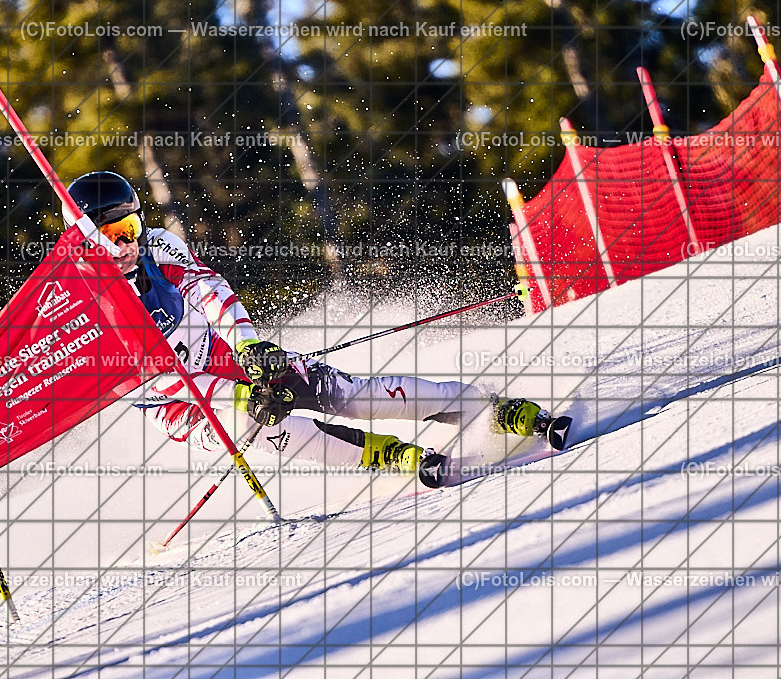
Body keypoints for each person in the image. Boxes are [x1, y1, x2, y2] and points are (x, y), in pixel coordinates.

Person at [67, 171, 546, 481]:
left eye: (129, 228)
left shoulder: (157, 247)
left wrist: (251, 348)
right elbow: (140, 384)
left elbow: (209, 290)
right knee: (264, 426)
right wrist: (236, 398)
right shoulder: (85, 303)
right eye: (112, 237)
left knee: (342, 391)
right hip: (181, 403)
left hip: (221, 352)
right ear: (87, 240)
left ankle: (487, 410)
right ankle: (394, 456)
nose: (126, 245)